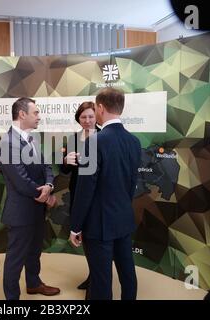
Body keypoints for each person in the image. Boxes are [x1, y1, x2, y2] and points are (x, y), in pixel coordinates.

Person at [69, 88, 141, 300]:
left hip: (98, 224)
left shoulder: (94, 142)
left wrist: (75, 226)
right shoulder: (134, 142)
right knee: (128, 272)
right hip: (123, 219)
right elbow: (131, 184)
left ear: (100, 107)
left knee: (101, 280)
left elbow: (85, 190)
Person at [0, 97, 60, 300]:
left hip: (36, 210)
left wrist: (49, 187)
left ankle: (33, 284)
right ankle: (12, 299)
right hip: (21, 212)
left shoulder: (31, 139)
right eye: (36, 113)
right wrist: (44, 196)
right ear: (22, 114)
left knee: (34, 252)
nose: (39, 117)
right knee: (16, 259)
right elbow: (20, 181)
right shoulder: (7, 144)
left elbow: (46, 167)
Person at [60, 101, 99, 290]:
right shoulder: (73, 139)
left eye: (91, 116)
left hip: (98, 197)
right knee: (83, 234)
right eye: (83, 117)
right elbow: (65, 170)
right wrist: (65, 161)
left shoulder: (103, 137)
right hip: (78, 193)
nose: (87, 120)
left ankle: (98, 278)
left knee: (96, 238)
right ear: (78, 118)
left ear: (96, 116)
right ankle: (93, 275)